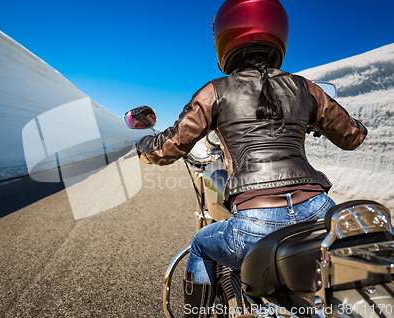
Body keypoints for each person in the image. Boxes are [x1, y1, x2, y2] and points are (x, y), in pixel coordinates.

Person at [135, 0, 367, 317]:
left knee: (202, 244)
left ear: (224, 38)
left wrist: (145, 144)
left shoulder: (215, 91)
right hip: (319, 210)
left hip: (256, 221)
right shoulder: (305, 88)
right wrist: (318, 123)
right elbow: (352, 136)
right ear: (277, 31)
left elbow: (168, 148)